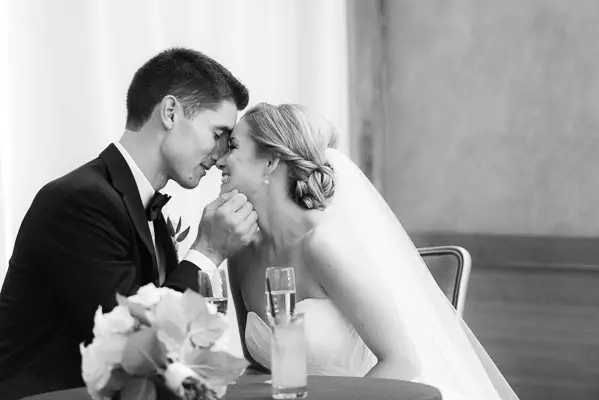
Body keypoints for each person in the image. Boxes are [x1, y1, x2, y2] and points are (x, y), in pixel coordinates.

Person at [0, 48, 259, 400]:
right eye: (218, 134)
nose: (222, 155)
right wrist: (208, 252)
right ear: (170, 112)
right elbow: (135, 344)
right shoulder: (80, 201)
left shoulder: (142, 206)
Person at [221, 103, 519, 400]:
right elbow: (267, 370)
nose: (219, 160)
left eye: (232, 147)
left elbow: (403, 362)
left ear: (271, 162)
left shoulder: (321, 246)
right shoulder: (240, 252)